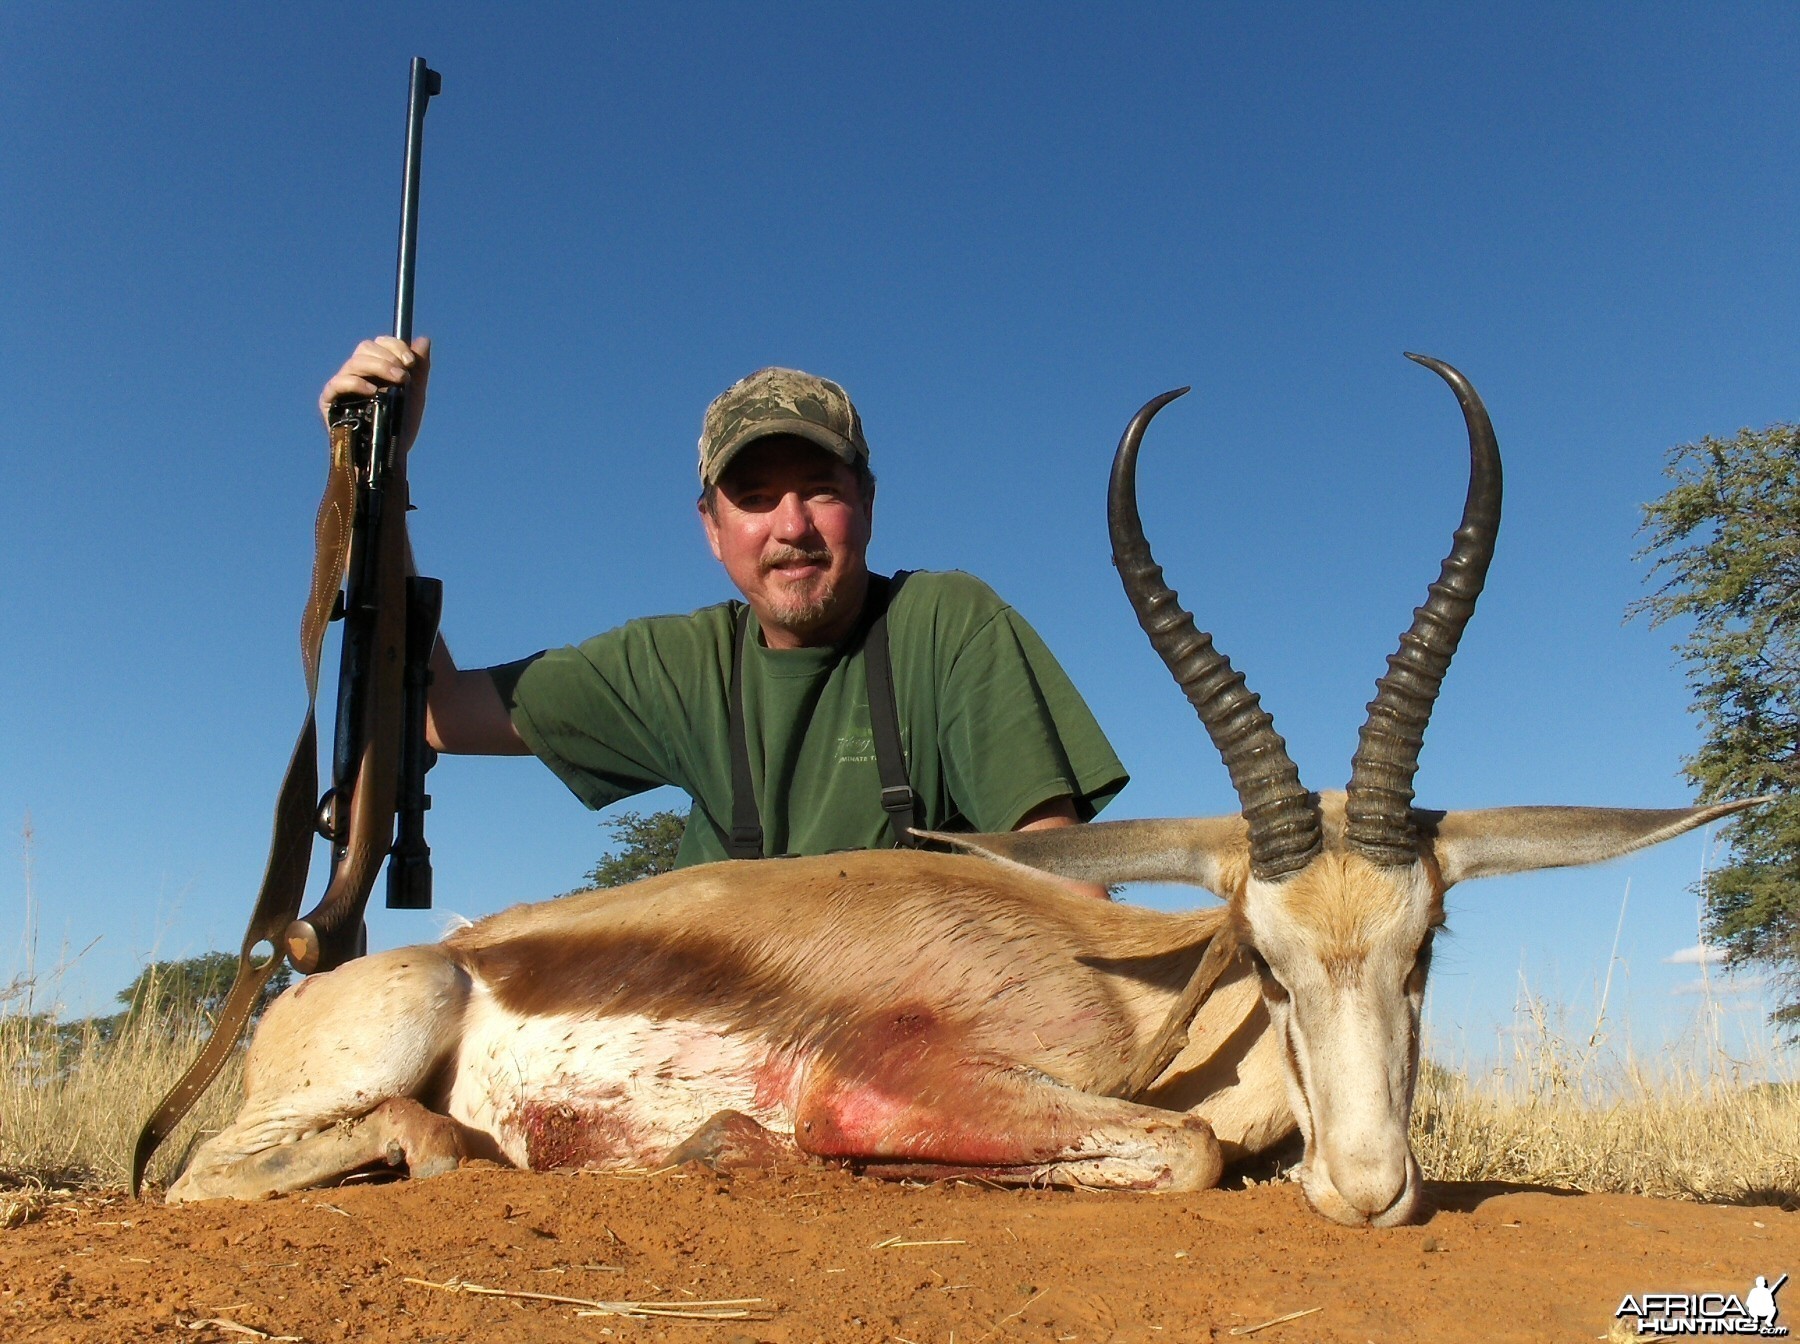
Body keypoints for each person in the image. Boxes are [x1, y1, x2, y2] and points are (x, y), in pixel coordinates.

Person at [322, 338, 1127, 897]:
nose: (791, 526)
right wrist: (376, 479)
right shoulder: (679, 666)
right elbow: (439, 711)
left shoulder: (948, 624)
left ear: (867, 504)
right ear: (711, 528)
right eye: (752, 498)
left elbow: (1069, 889)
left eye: (820, 488)